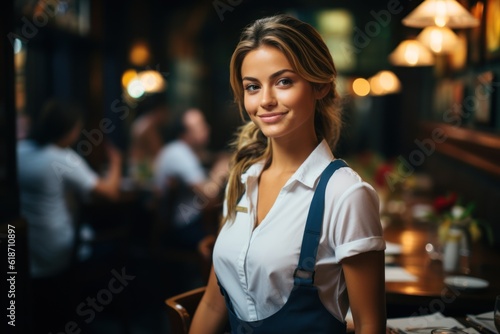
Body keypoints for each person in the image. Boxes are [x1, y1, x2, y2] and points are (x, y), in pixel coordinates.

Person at [189, 14, 386, 334]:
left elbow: (370, 325)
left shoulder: (346, 194)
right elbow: (213, 304)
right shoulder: (240, 180)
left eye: (283, 81)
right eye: (252, 86)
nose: (265, 100)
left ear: (320, 84)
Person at [16, 98, 122, 333]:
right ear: (70, 129)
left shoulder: (19, 151)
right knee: (114, 247)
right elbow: (111, 193)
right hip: (57, 251)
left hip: (22, 248)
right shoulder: (63, 158)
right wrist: (116, 162)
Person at [153, 107, 229, 256]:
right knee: (228, 242)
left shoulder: (186, 151)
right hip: (180, 228)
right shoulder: (178, 153)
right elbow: (209, 196)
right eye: (199, 125)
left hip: (189, 222)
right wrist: (220, 172)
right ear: (185, 134)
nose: (207, 128)